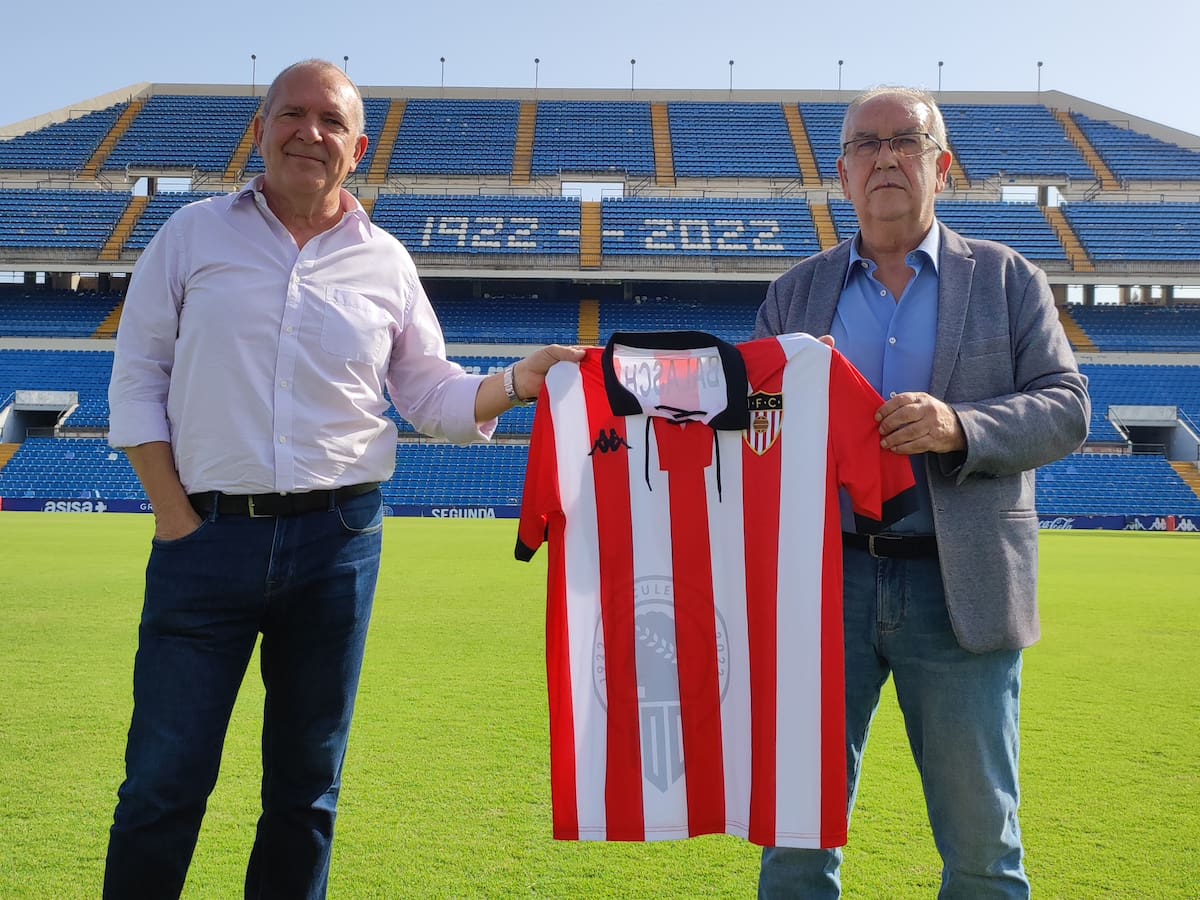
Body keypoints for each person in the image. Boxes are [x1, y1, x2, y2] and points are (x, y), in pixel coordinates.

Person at [103, 59, 581, 899]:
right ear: (261, 130)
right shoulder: (190, 236)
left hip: (337, 546)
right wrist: (173, 514)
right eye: (292, 115)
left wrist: (517, 380)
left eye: (331, 122)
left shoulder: (387, 262)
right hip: (204, 539)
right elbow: (137, 377)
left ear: (357, 148)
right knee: (162, 785)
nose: (309, 133)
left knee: (305, 791)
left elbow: (429, 392)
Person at [754, 86, 1089, 898]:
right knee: (796, 840)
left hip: (960, 585)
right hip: (824, 585)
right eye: (866, 145)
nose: (885, 157)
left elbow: (1068, 408)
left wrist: (959, 425)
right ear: (843, 174)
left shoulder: (1009, 278)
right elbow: (753, 424)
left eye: (906, 140)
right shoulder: (796, 291)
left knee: (982, 846)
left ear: (941, 166)